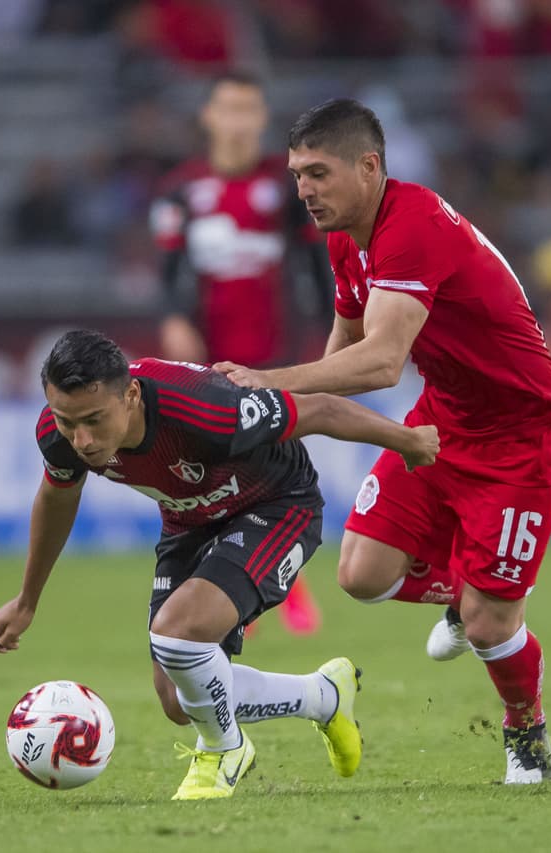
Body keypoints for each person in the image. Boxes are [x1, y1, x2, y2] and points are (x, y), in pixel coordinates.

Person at [216, 99, 551, 784]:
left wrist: (266, 382)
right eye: (297, 175)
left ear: (370, 166)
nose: (305, 190)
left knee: (488, 626)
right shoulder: (344, 236)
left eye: (318, 173)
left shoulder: (411, 226)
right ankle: (465, 589)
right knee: (361, 573)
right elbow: (343, 353)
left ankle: (525, 729)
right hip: (445, 417)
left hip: (524, 432)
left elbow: (380, 364)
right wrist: (284, 409)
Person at [0, 329, 441, 800]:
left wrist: (406, 440)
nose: (81, 439)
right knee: (180, 698)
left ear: (131, 395)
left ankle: (224, 751)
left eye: (94, 420)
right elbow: (57, 499)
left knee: (179, 632)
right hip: (189, 521)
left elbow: (321, 409)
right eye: (67, 421)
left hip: (278, 506)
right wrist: (27, 600)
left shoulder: (209, 409)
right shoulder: (58, 436)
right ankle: (324, 696)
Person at [150, 70, 332, 635]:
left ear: (261, 119)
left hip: (275, 351)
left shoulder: (285, 189)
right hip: (206, 356)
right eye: (226, 108)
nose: (237, 121)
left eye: (248, 109)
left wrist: (333, 333)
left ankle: (279, 580)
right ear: (209, 116)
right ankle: (230, 582)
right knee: (209, 469)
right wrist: (175, 320)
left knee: (280, 466)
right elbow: (170, 273)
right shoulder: (181, 191)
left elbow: (314, 266)